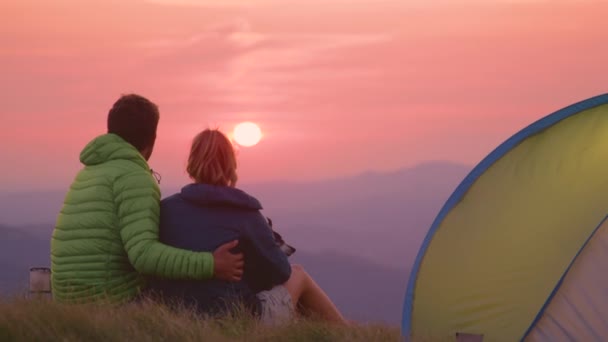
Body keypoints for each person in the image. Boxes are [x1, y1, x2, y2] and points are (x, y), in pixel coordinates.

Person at [50, 94, 244, 303]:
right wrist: (211, 264)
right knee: (188, 296)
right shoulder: (134, 177)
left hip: (67, 300)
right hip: (109, 302)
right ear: (151, 138)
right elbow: (144, 256)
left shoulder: (90, 171)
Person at [147, 128, 346, 325]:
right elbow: (281, 271)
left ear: (191, 163)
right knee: (298, 274)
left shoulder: (166, 209)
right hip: (239, 320)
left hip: (180, 315)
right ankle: (348, 334)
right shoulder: (245, 212)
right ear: (230, 164)